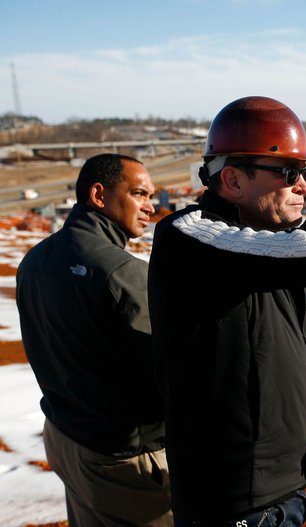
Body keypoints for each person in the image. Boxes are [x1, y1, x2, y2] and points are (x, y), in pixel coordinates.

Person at [148, 95, 306, 526]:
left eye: (305, 173)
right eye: (289, 173)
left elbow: (300, 322)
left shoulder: (262, 244)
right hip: (233, 501)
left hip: (284, 487)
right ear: (233, 179)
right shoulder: (190, 236)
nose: (303, 186)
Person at [16, 153, 171, 526]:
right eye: (138, 193)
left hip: (66, 438)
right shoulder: (124, 273)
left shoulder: (35, 260)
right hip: (124, 458)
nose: (150, 206)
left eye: (151, 195)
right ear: (98, 195)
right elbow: (171, 372)